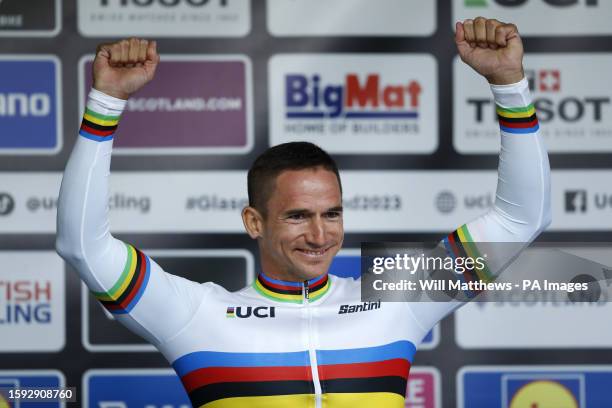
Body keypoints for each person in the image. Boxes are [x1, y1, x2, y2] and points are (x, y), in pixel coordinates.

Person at [56, 17, 550, 408]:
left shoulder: (399, 299)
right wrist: (106, 102)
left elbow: (519, 220)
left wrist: (509, 85)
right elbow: (83, 246)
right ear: (254, 222)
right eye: (297, 216)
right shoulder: (196, 314)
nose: (320, 235)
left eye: (332, 214)